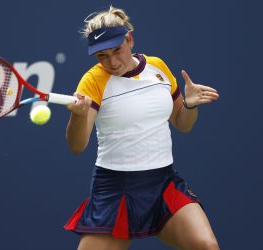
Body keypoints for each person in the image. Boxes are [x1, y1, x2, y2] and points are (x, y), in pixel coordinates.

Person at [64, 5, 220, 250]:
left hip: (163, 184)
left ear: (130, 39)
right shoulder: (93, 80)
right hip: (115, 190)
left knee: (206, 246)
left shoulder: (157, 67)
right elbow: (77, 145)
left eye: (117, 50)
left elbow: (182, 124)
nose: (112, 62)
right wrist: (78, 117)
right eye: (102, 56)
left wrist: (189, 105)